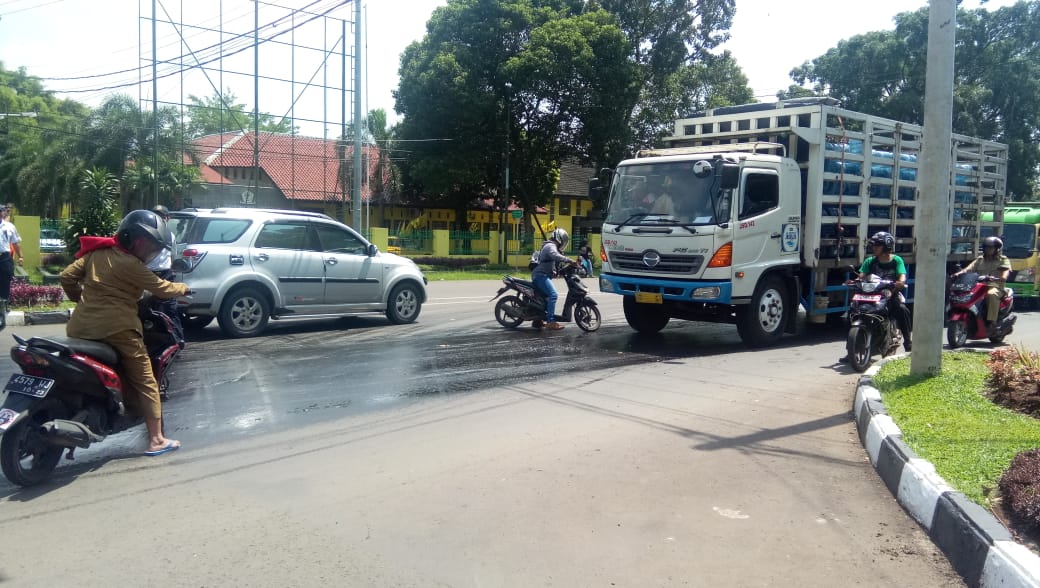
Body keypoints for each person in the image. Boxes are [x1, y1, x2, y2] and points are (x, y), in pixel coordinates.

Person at [60, 210, 189, 456]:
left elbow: (67, 277)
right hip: (118, 330)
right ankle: (156, 439)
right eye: (150, 246)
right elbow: (162, 288)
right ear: (138, 242)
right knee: (146, 380)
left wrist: (82, 301)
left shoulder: (96, 253)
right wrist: (183, 288)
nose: (150, 252)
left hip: (79, 328)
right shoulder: (132, 265)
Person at [840, 231, 912, 361]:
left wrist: (901, 282)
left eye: (878, 245)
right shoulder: (870, 261)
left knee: (902, 310)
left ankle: (908, 342)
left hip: (889, 295)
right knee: (850, 315)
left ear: (886, 246)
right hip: (870, 295)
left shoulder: (896, 260)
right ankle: (851, 350)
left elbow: (902, 274)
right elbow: (861, 276)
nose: (874, 247)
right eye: (874, 245)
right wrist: (854, 281)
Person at [952, 235, 1011, 329]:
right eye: (986, 247)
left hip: (995, 286)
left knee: (991, 294)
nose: (988, 250)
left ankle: (992, 322)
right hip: (978, 286)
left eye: (990, 247)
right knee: (964, 294)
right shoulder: (980, 260)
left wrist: (1003, 277)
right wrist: (958, 273)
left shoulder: (1003, 260)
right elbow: (968, 269)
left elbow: (1006, 270)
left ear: (997, 249)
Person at [147, 204, 184, 344]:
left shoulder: (170, 236)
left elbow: (173, 257)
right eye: (156, 216)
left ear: (167, 218)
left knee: (170, 308)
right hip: (147, 275)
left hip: (164, 274)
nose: (159, 219)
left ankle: (178, 340)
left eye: (162, 216)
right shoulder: (146, 233)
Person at [531, 228, 571, 331]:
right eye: (563, 240)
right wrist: (569, 260)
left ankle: (537, 320)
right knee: (553, 295)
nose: (564, 242)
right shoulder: (550, 246)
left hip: (542, 275)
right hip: (540, 276)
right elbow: (555, 256)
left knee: (545, 298)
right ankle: (550, 321)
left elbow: (551, 262)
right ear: (559, 238)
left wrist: (555, 272)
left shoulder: (551, 246)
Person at [0, 205, 24, 330]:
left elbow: (15, 242)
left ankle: (3, 307)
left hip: (4, 257)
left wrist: (21, 257)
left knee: (6, 280)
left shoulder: (9, 226)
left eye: (0, 211)